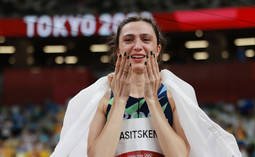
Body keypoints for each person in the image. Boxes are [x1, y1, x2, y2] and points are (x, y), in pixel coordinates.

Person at [51, 16, 241, 157]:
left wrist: (152, 100)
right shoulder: (101, 97)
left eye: (146, 39)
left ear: (157, 49)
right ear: (118, 50)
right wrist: (120, 101)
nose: (137, 46)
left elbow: (179, 155)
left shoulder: (173, 95)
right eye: (128, 40)